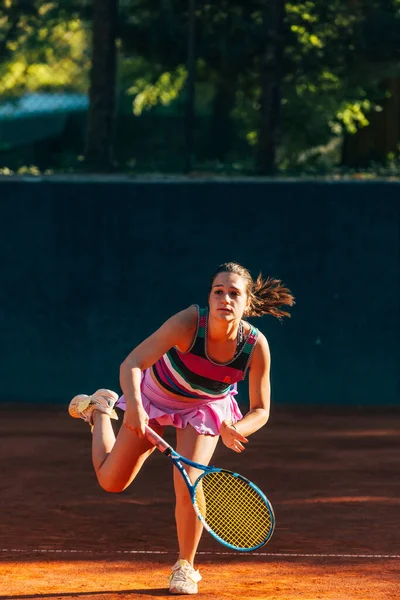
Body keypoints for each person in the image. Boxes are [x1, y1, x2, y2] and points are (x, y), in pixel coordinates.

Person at [68, 261, 294, 595]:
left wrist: (237, 427)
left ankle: (185, 567)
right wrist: (136, 407)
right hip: (153, 397)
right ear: (209, 296)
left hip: (204, 408)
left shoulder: (255, 346)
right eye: (219, 291)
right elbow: (131, 363)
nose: (225, 299)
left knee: (190, 480)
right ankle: (101, 411)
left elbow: (261, 409)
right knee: (111, 481)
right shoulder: (189, 322)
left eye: (234, 294)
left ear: (247, 304)